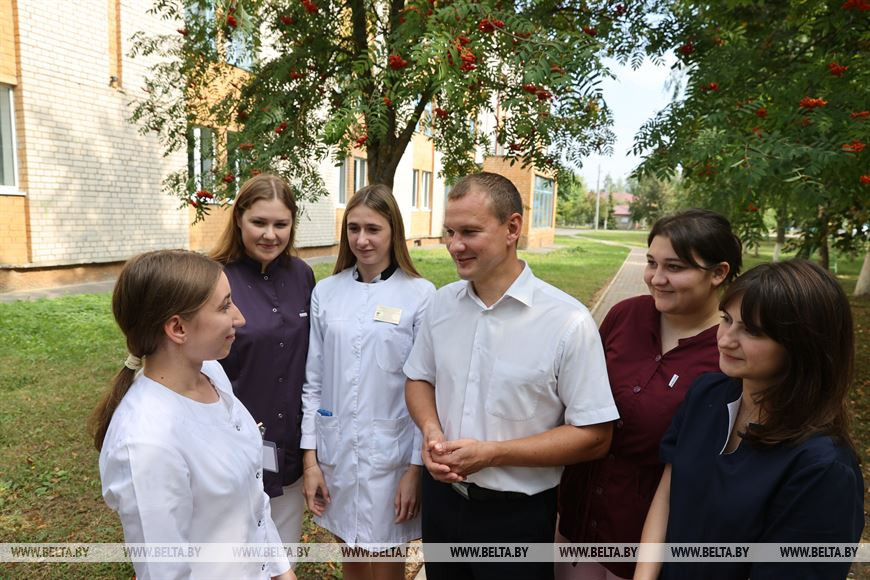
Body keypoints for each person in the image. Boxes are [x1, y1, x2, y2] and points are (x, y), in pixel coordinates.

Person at [404, 172, 619, 580]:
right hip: (443, 505)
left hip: (516, 516)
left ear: (513, 228)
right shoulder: (441, 305)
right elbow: (418, 378)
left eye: (469, 232)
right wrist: (431, 430)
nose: (454, 245)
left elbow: (595, 436)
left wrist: (493, 454)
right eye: (449, 232)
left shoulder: (567, 322)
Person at [636, 259, 864, 580]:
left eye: (752, 331)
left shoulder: (823, 469)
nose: (726, 339)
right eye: (727, 320)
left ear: (803, 347)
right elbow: (667, 497)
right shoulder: (706, 395)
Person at [557, 209, 742, 580]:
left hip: (647, 536)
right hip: (576, 516)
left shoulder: (729, 352)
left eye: (674, 267)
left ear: (718, 273)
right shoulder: (624, 315)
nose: (657, 279)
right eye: (651, 263)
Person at [93, 249, 294, 579]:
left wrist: (281, 571)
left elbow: (251, 501)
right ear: (178, 328)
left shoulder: (212, 373)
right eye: (225, 305)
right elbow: (166, 571)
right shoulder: (147, 444)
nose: (240, 318)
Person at [300, 184, 435, 580]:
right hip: (337, 448)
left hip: (392, 456)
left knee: (386, 566)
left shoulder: (421, 295)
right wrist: (311, 459)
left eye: (373, 229)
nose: (362, 240)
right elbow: (313, 381)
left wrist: (415, 468)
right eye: (353, 228)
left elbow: (427, 386)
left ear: (394, 230)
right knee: (353, 557)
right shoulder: (326, 292)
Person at [212, 173, 315, 548]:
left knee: (282, 552)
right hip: (230, 447)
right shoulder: (213, 278)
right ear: (239, 218)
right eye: (259, 222)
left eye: (280, 224)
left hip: (288, 446)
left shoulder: (303, 276)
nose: (270, 234)